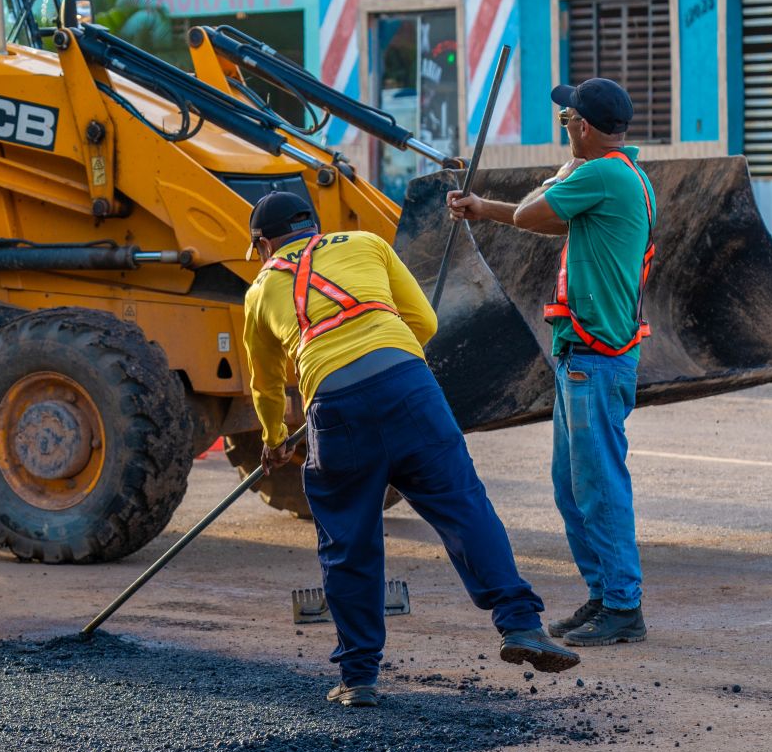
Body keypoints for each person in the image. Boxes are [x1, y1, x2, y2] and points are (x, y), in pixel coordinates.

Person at [241, 191, 580, 708]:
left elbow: (266, 388)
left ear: (264, 244)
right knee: (464, 507)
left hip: (334, 407)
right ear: (313, 224)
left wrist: (271, 442)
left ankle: (358, 679)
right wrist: (390, 366)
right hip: (410, 385)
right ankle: (521, 625)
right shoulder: (366, 243)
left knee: (348, 540)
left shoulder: (261, 290)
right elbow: (424, 323)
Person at [446, 77, 655, 648]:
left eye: (568, 121)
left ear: (583, 127)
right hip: (582, 356)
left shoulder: (600, 173)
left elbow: (533, 211)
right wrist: (482, 207)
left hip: (596, 359)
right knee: (572, 486)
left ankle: (622, 607)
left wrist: (516, 197)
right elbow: (545, 219)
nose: (563, 128)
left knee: (599, 486)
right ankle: (603, 594)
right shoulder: (612, 178)